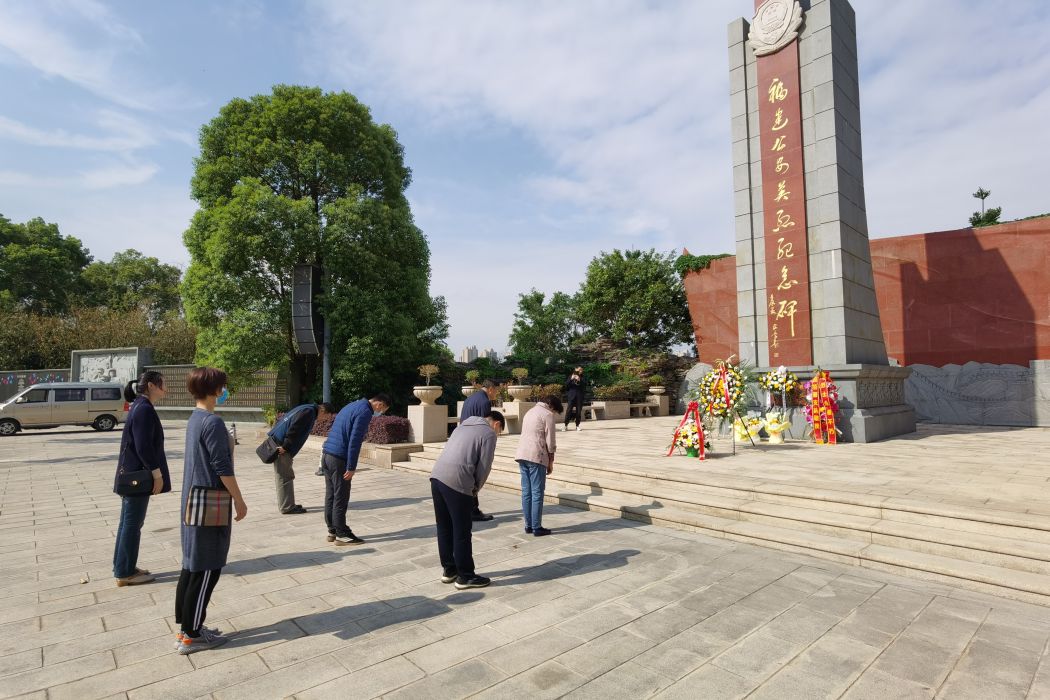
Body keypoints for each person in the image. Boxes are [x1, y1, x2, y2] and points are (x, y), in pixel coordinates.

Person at [174, 367, 248, 655]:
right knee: (207, 568)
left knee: (192, 566)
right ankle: (192, 635)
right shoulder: (213, 422)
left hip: (193, 501)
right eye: (223, 386)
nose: (225, 390)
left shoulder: (195, 419)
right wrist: (239, 500)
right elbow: (222, 468)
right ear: (215, 389)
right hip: (209, 504)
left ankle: (186, 629)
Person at [430, 410, 504, 589]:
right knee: (462, 531)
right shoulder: (488, 434)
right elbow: (484, 466)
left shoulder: (461, 427)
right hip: (458, 481)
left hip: (437, 477)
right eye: (500, 430)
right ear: (496, 424)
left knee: (444, 527)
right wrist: (475, 488)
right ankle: (465, 576)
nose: (498, 434)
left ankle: (449, 570)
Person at [112, 370, 170, 587]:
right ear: (152, 386)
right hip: (137, 477)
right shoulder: (144, 408)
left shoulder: (140, 406)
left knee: (128, 523)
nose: (166, 388)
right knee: (131, 524)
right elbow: (143, 446)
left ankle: (123, 566)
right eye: (163, 384)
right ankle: (125, 572)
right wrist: (157, 474)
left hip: (131, 475)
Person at [321, 393, 391, 545]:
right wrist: (351, 466)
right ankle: (342, 533)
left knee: (331, 494)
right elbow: (355, 440)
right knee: (341, 496)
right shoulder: (365, 411)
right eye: (383, 409)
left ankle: (332, 530)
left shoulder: (352, 405)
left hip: (327, 454)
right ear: (379, 404)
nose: (381, 413)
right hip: (339, 458)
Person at [268, 402, 333, 514]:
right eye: (327, 416)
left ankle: (288, 504)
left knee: (284, 476)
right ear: (322, 410)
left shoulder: (306, 408)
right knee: (285, 477)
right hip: (282, 446)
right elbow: (294, 429)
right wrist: (285, 446)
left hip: (278, 442)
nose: (325, 420)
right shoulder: (309, 412)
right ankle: (287, 507)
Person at [515, 394, 562, 536]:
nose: (554, 413)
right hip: (537, 456)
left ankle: (528, 525)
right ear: (552, 406)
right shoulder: (547, 414)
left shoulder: (529, 412)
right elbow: (550, 441)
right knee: (537, 492)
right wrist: (551, 461)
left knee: (526, 492)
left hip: (522, 454)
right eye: (555, 411)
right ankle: (536, 527)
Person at [459, 379, 502, 522]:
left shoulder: (470, 398)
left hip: (463, 437)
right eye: (496, 390)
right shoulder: (484, 402)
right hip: (475, 441)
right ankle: (473, 510)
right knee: (474, 474)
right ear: (490, 389)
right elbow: (486, 425)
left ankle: (469, 508)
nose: (496, 393)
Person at [564, 366, 585, 432]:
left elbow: (585, 385)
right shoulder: (571, 376)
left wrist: (579, 380)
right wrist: (571, 379)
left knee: (578, 411)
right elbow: (566, 385)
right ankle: (565, 425)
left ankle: (577, 425)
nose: (580, 371)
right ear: (575, 370)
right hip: (571, 396)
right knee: (569, 410)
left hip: (579, 396)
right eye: (579, 370)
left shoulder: (583, 377)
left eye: (581, 370)